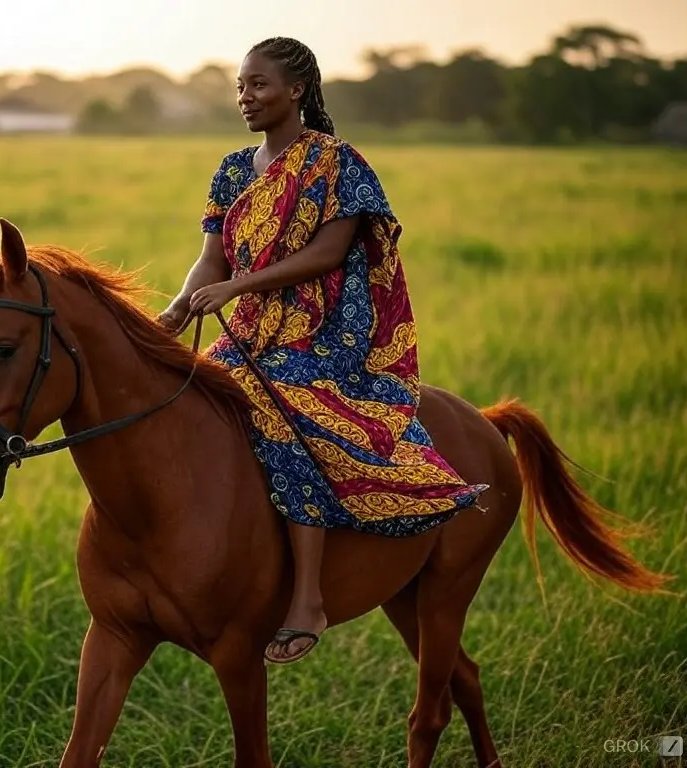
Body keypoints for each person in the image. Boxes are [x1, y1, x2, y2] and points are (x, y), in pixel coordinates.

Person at [157, 37, 489, 665]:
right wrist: (174, 312)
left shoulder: (338, 163)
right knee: (189, 403)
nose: (245, 97)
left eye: (257, 85)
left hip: (324, 335)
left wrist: (238, 286)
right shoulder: (232, 170)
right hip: (249, 332)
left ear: (296, 91)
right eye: (239, 86)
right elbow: (210, 259)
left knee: (270, 402)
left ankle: (307, 596)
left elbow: (327, 254)